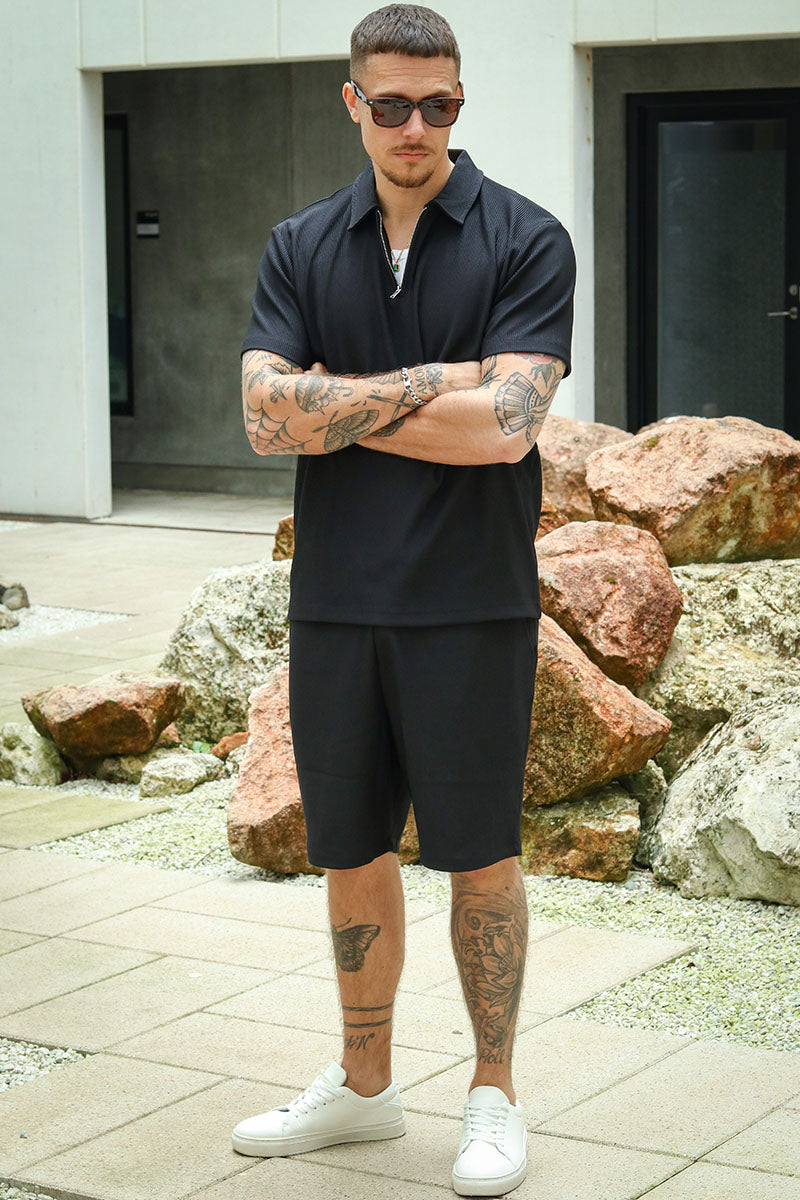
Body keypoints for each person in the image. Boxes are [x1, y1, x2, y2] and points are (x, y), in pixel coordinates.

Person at [232, 4, 575, 1194]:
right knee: (349, 850)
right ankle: (365, 1087)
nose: (415, 126)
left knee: (479, 856)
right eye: (391, 104)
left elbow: (505, 429)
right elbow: (262, 416)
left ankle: (493, 1095)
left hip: (471, 602)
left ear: (457, 103)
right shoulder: (300, 245)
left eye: (438, 104)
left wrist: (337, 403)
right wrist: (437, 382)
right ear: (354, 105)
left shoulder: (526, 238)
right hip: (335, 600)